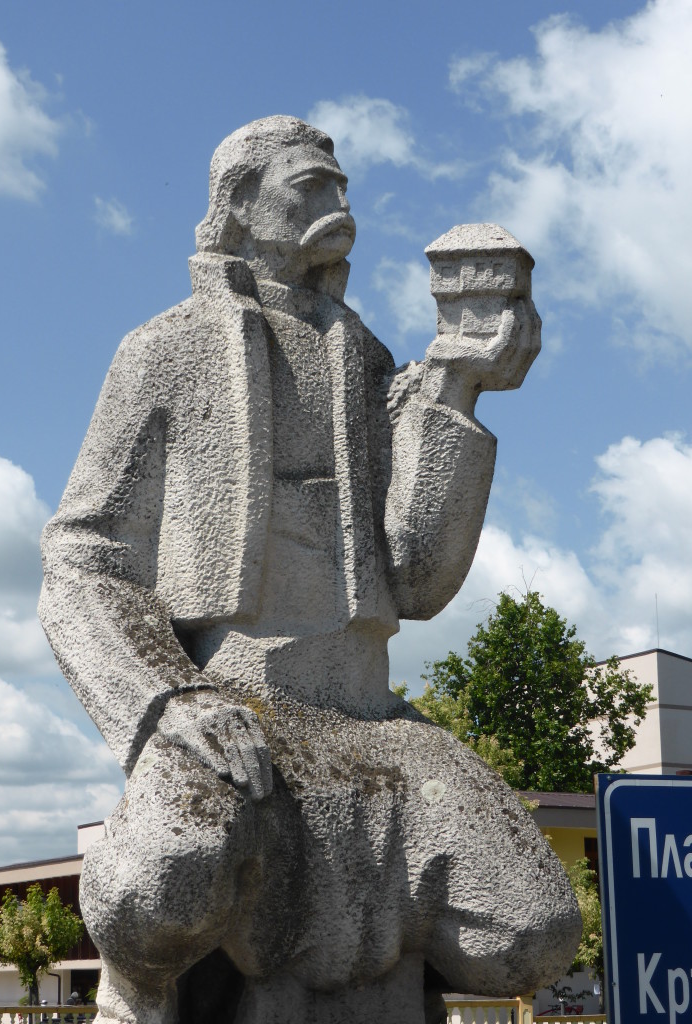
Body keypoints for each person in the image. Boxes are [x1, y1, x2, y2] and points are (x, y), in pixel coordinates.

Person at [39, 116, 580, 1024]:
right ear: (240, 206)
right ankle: (138, 999)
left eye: (343, 188)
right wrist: (170, 701)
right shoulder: (161, 351)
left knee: (529, 929)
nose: (341, 206)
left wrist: (457, 387)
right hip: (229, 702)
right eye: (311, 186)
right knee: (159, 889)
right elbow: (82, 556)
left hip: (373, 719)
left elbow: (416, 579)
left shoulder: (369, 361)